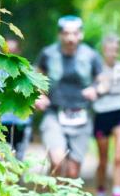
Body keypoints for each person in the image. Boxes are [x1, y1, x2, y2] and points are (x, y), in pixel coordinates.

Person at [33, 15, 103, 179]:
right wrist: (38, 96)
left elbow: (103, 80)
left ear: (81, 34)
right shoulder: (48, 54)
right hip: (54, 113)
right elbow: (35, 78)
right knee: (57, 162)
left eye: (75, 33)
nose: (71, 38)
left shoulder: (91, 55)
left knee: (73, 171)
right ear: (60, 35)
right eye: (66, 33)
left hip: (81, 115)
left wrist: (96, 89)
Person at [93, 33, 120, 196]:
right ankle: (101, 192)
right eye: (110, 49)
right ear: (104, 50)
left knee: (118, 157)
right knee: (103, 159)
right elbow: (91, 90)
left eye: (116, 50)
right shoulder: (96, 69)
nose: (113, 53)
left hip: (119, 113)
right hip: (102, 114)